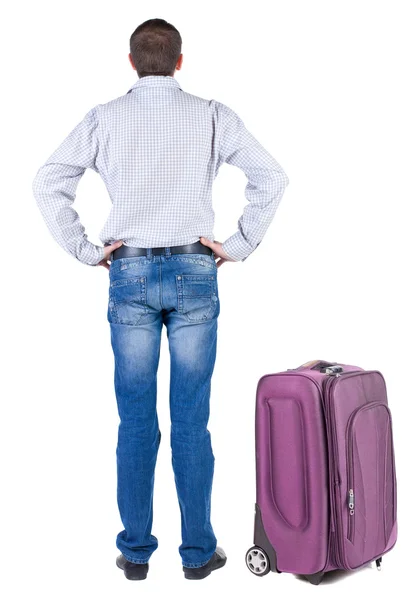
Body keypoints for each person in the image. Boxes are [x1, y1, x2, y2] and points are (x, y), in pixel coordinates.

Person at [32, 17, 289, 580]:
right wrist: (239, 245)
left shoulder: (104, 118)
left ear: (131, 63)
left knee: (135, 421)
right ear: (179, 61)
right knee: (192, 422)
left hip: (129, 275)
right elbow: (272, 177)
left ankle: (136, 553)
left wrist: (85, 250)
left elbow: (47, 180)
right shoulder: (213, 115)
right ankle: (198, 555)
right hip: (196, 271)